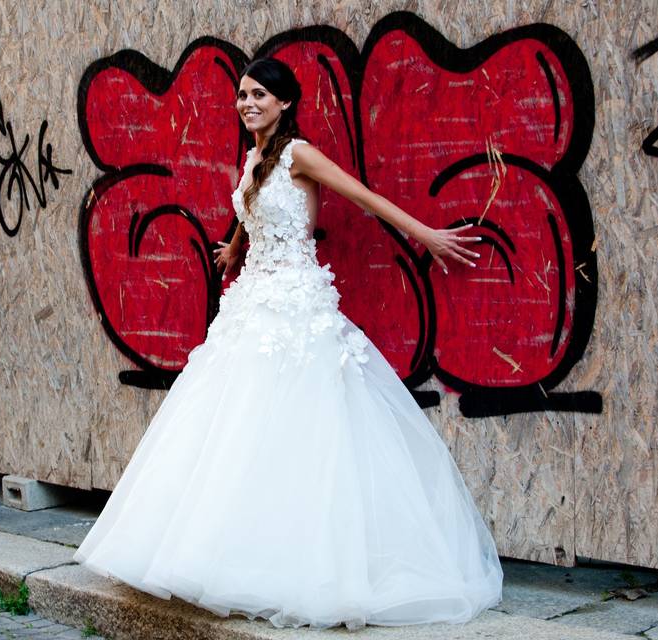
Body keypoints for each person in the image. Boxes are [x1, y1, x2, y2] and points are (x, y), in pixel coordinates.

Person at [75, 59, 503, 629]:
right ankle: (232, 554)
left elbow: (363, 196)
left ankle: (301, 568)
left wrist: (423, 234)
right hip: (251, 304)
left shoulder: (299, 153)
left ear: (283, 103)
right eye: (242, 95)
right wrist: (233, 248)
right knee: (236, 427)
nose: (247, 102)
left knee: (301, 429)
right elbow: (249, 207)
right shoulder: (254, 158)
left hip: (297, 310)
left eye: (259, 95)